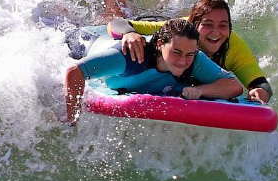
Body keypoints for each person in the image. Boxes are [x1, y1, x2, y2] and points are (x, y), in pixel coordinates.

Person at [65, 18, 243, 124]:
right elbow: (75, 72)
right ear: (159, 45)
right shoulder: (131, 57)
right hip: (84, 42)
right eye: (176, 53)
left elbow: (233, 85)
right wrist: (73, 120)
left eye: (189, 54)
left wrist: (200, 90)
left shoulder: (194, 59)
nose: (183, 61)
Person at [106, 0, 273, 103]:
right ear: (194, 26)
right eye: (207, 25)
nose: (216, 33)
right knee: (116, 13)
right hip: (158, 20)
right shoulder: (178, 32)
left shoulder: (233, 46)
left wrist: (260, 92)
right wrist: (129, 33)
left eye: (223, 26)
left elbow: (260, 84)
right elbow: (117, 23)